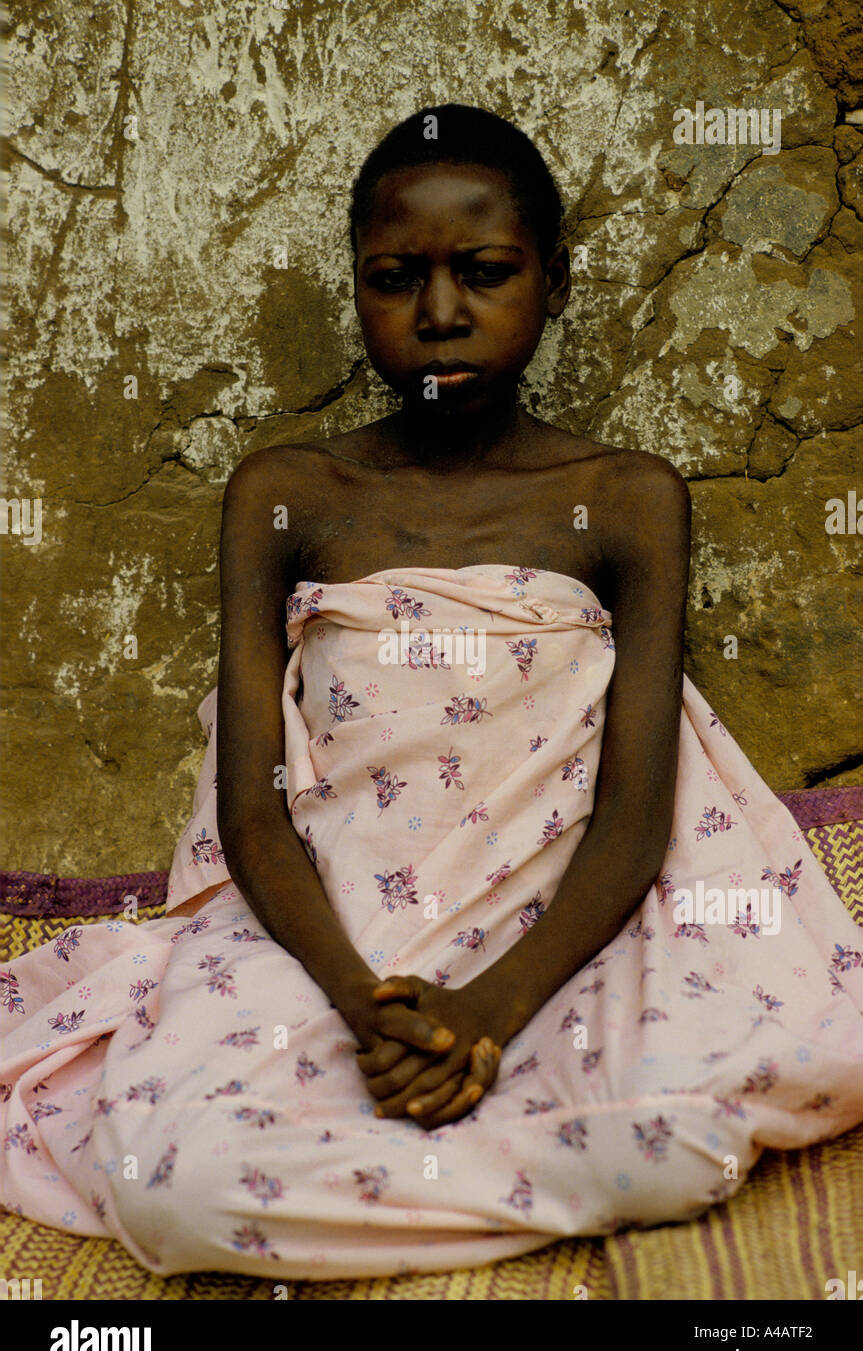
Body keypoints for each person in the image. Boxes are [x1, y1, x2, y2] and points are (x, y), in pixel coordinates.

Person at [2, 104, 863, 1282]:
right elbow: (252, 803)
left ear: (553, 284)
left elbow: (631, 811)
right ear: (355, 286)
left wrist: (491, 1011)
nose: (440, 314)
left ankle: (497, 1158)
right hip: (323, 936)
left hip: (551, 932)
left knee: (690, 1109)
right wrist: (368, 1009)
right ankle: (543, 1175)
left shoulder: (623, 498)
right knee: (169, 1189)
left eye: (485, 272)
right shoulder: (288, 494)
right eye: (395, 278)